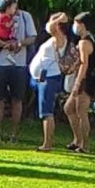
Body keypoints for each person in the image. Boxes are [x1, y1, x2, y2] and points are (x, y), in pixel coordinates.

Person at [0, 0, 37, 144]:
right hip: (0, 63)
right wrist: (3, 44)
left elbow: (32, 37)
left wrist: (19, 43)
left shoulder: (25, 17)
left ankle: (14, 134)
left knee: (17, 99)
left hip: (19, 64)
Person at [29, 13, 71, 153]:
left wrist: (59, 18)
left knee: (47, 111)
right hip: (41, 77)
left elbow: (51, 27)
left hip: (49, 78)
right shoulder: (53, 39)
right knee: (44, 110)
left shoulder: (59, 38)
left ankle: (47, 144)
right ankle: (46, 142)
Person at [65, 14, 95, 156]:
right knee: (69, 108)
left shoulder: (85, 42)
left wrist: (78, 83)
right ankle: (77, 139)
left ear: (82, 25)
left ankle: (85, 144)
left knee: (81, 112)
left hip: (86, 80)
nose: (75, 26)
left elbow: (85, 64)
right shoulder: (88, 40)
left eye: (76, 23)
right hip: (85, 79)